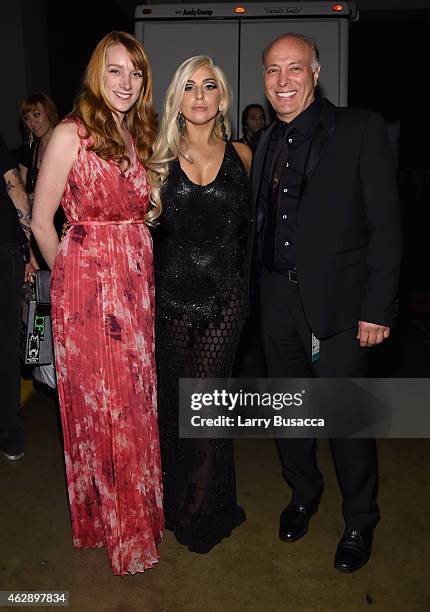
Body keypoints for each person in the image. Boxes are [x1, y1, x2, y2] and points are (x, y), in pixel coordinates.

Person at [251, 33, 401, 572]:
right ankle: (303, 493)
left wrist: (377, 308)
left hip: (341, 307)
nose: (283, 81)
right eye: (273, 70)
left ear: (315, 73)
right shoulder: (265, 141)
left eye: (294, 69)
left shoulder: (360, 128)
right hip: (274, 299)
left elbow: (385, 224)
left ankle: (361, 518)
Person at [31, 31, 164, 575]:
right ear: (96, 74)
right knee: (105, 406)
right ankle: (117, 529)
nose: (126, 83)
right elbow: (42, 221)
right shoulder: (70, 133)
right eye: (115, 71)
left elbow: (142, 208)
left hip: (136, 285)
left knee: (134, 401)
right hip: (89, 289)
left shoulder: (138, 133)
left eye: (134, 73)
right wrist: (72, 279)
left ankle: (132, 516)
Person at [149, 55, 252, 553]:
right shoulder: (156, 159)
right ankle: (183, 492)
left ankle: (200, 505)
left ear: (222, 98)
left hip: (225, 300)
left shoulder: (244, 155)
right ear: (177, 98)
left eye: (209, 86)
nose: (199, 95)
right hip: (168, 300)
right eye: (189, 86)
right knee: (178, 403)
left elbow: (260, 232)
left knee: (204, 406)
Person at [0, 133, 36, 461]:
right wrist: (30, 249)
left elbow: (16, 190)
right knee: (7, 343)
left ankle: (9, 429)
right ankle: (9, 430)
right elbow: (16, 192)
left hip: (5, 248)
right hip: (6, 248)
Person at [19, 93, 59, 197]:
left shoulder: (65, 145)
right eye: (27, 118)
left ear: (49, 113)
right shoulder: (29, 149)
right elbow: (20, 189)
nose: (32, 122)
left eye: (36, 115)